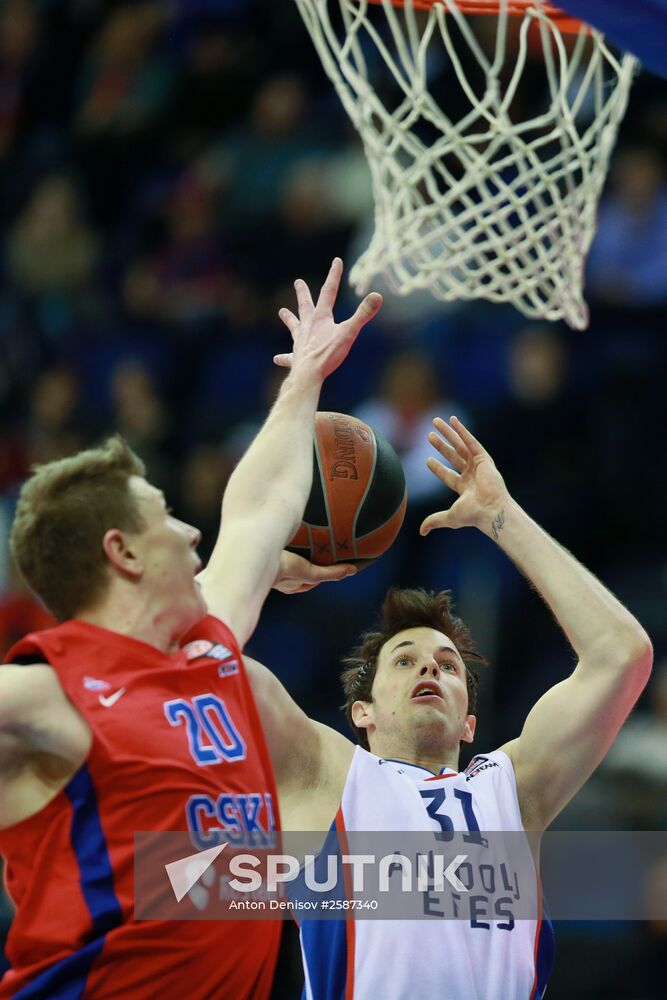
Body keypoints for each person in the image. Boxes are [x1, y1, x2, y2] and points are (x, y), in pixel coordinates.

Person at [0, 259, 382, 1000]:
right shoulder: (48, 695)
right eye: (163, 514)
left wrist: (305, 376)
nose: (188, 528)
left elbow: (260, 511)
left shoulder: (208, 643)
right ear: (124, 551)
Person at [244, 414, 653, 1000]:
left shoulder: (511, 791)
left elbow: (624, 656)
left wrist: (501, 517)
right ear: (363, 713)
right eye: (405, 661)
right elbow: (190, 654)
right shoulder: (328, 775)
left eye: (448, 665)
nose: (431, 667)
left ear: (469, 722)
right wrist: (258, 565)